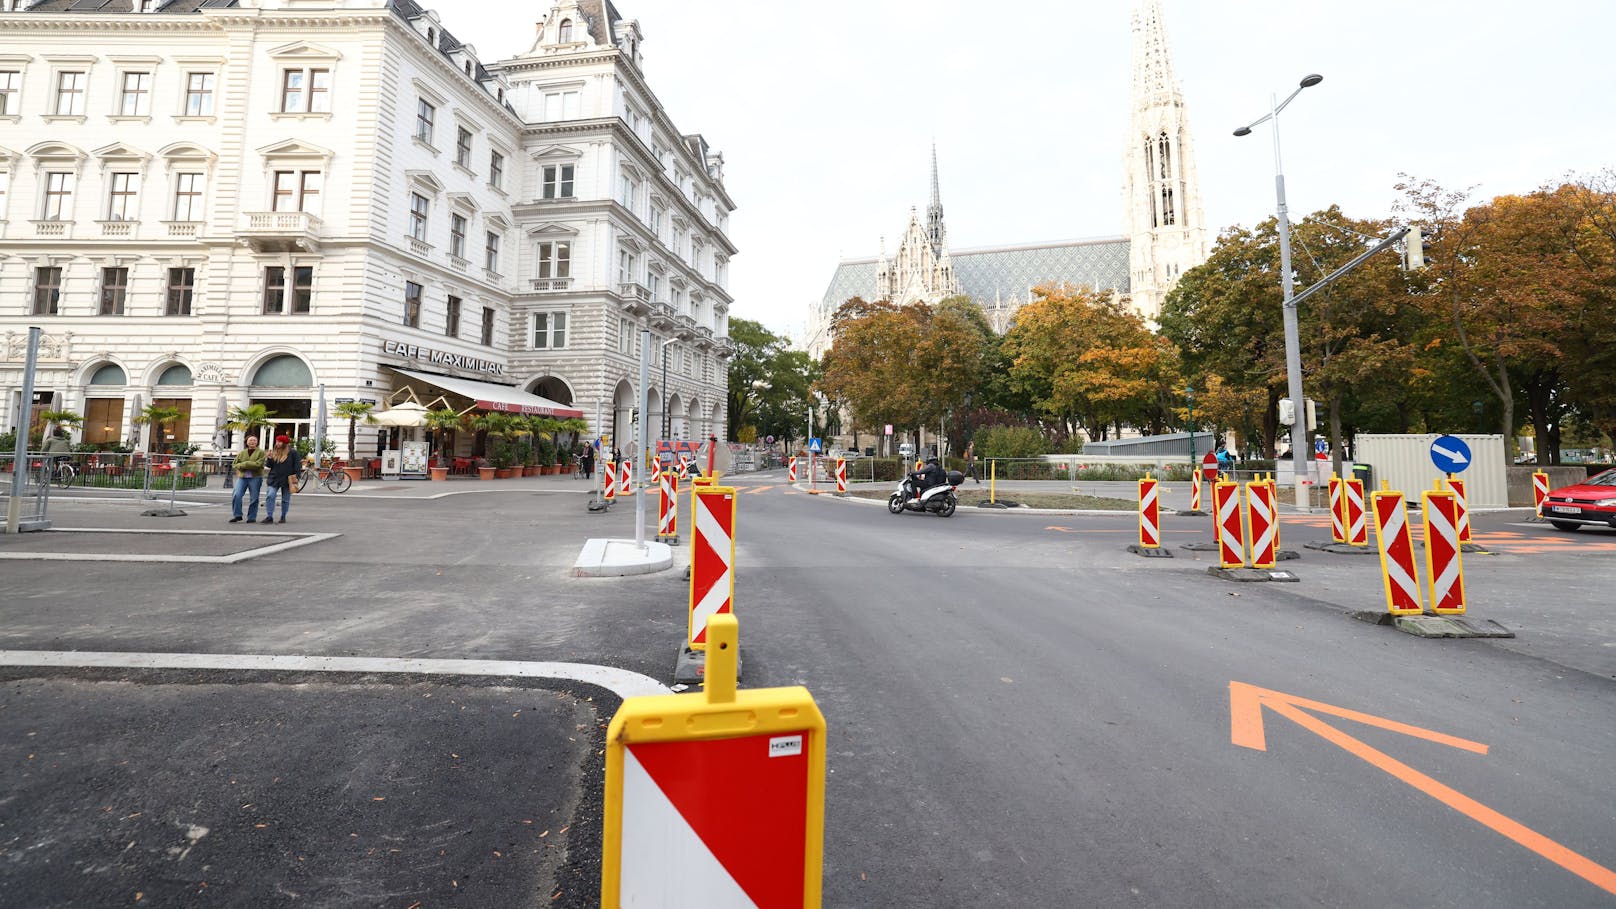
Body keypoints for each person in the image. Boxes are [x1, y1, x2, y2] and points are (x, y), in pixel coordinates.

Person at [262, 435, 302, 524]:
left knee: (285, 499)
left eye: (280, 442)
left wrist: (296, 477)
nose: (277, 443)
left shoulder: (293, 453)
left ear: (285, 443)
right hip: (274, 478)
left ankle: (283, 516)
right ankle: (269, 516)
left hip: (288, 479)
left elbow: (297, 466)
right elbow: (269, 466)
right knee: (270, 496)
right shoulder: (274, 452)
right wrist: (269, 458)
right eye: (277, 441)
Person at [229, 435, 267, 524]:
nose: (252, 442)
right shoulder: (242, 452)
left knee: (254, 497)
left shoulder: (261, 452)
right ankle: (237, 515)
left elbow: (259, 465)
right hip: (242, 477)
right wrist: (247, 465)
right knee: (236, 495)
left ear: (257, 442)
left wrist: (244, 464)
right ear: (246, 442)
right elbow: (235, 464)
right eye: (250, 440)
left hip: (255, 477)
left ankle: (252, 517)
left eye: (254, 440)